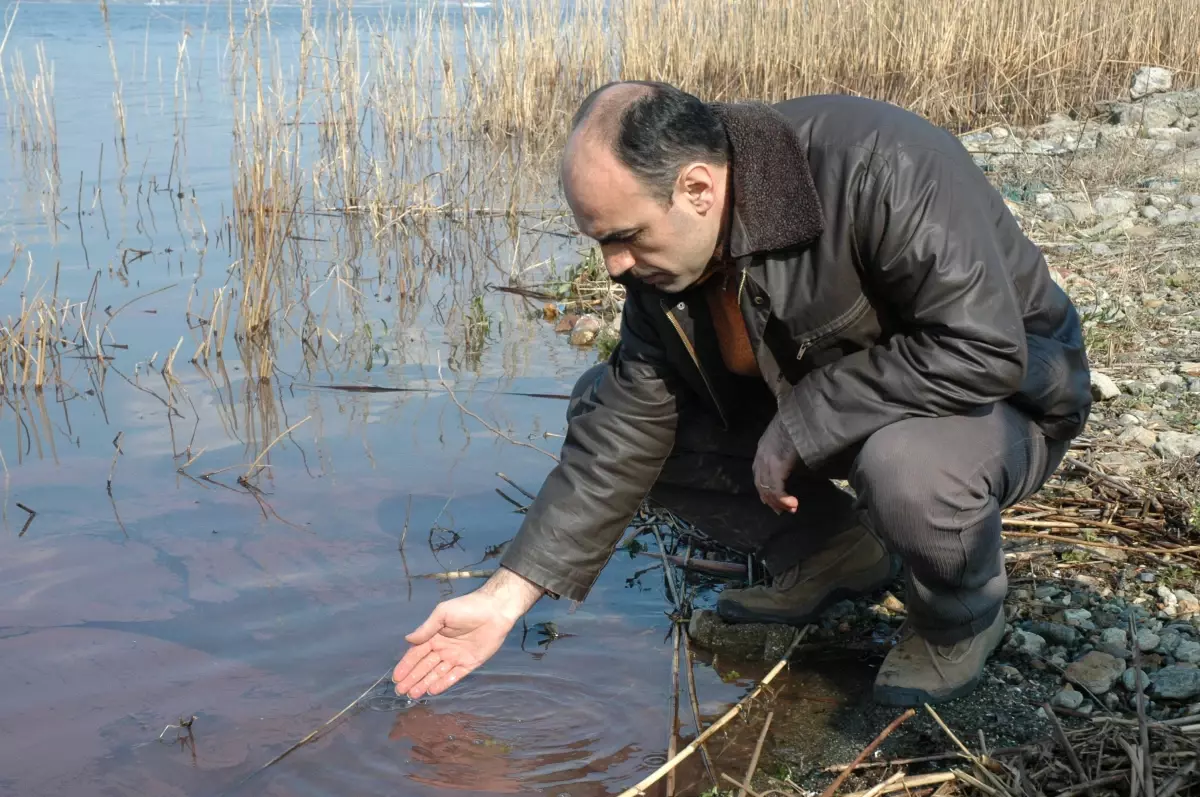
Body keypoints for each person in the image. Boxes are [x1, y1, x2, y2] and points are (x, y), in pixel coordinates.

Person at [391, 81, 1091, 707]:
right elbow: (625, 432)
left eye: (625, 237)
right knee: (595, 401)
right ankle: (832, 550)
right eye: (600, 242)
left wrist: (806, 421)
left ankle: (961, 616)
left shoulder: (878, 163)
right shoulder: (660, 267)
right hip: (848, 402)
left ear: (698, 188)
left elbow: (984, 347)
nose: (613, 267)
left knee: (903, 467)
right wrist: (504, 598)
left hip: (1005, 399)